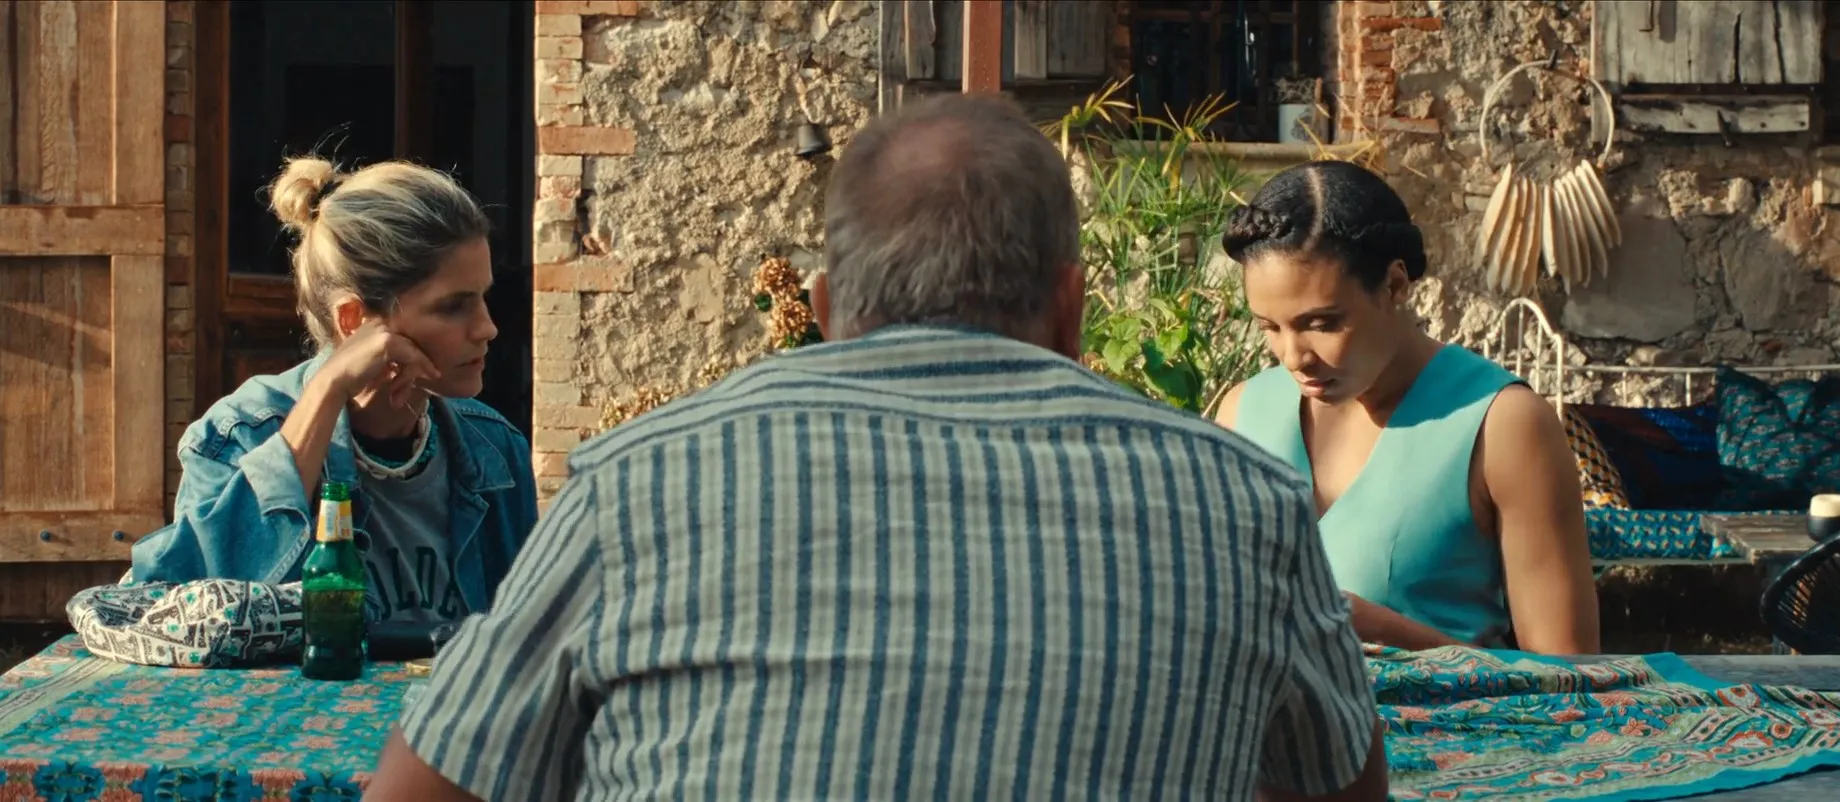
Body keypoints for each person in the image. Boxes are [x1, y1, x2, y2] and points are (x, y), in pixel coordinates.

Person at [366, 94, 1387, 802]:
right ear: (1072, 311)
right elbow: (1339, 785)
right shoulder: (1242, 500)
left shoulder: (642, 480)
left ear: (821, 310)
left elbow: (427, 785)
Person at [128, 157, 538, 626]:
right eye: (452, 307)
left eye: (484, 298)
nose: (487, 328)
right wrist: (328, 389)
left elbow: (532, 634)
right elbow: (182, 613)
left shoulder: (495, 449)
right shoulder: (239, 436)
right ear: (354, 320)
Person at [1213, 160, 1600, 655]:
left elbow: (1570, 673)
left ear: (1395, 285)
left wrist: (1381, 630)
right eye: (1270, 327)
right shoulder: (1244, 413)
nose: (1294, 357)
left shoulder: (1503, 424)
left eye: (1322, 323)